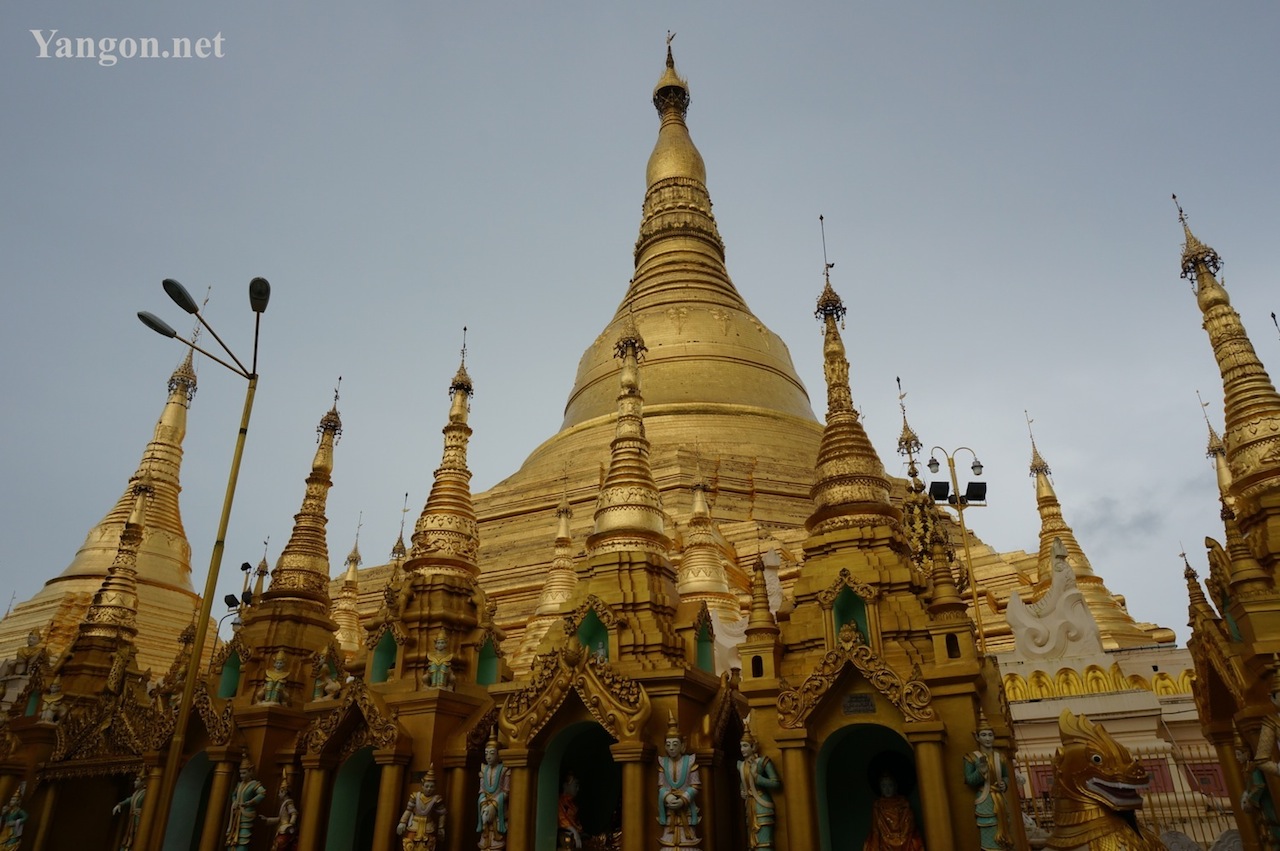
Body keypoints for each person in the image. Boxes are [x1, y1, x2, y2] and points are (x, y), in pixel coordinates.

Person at [963, 720, 1011, 850]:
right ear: (977, 737)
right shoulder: (971, 758)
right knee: (989, 836)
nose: (988, 738)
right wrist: (980, 772)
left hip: (1000, 801)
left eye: (990, 735)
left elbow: (1006, 776)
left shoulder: (1000, 757)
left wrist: (1004, 784)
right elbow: (969, 781)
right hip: (985, 801)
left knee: (1006, 834)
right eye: (983, 735)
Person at [658, 712, 701, 849]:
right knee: (669, 842)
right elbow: (661, 786)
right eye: (668, 744)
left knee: (686, 843)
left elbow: (695, 785)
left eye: (675, 744)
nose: (671, 748)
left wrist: (683, 799)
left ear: (682, 745)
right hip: (670, 809)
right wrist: (667, 796)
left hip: (686, 809)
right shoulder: (663, 763)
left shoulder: (689, 762)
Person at [738, 725, 781, 851]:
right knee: (753, 845)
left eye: (745, 746)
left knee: (764, 845)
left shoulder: (762, 762)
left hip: (762, 805)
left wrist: (758, 779)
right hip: (750, 807)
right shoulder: (741, 766)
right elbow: (743, 782)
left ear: (753, 746)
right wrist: (742, 790)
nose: (742, 749)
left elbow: (776, 783)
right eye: (741, 746)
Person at [863, 773, 925, 851]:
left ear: (895, 787)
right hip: (884, 843)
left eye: (890, 785)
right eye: (884, 786)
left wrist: (901, 837)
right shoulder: (878, 805)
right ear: (880, 788)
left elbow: (909, 823)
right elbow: (876, 828)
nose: (887, 789)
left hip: (904, 840)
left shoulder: (903, 803)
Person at [397, 767, 445, 851]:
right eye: (427, 786)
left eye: (431, 787)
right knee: (410, 842)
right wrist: (402, 822)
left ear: (435, 787)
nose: (429, 789)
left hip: (428, 825)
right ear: (422, 786)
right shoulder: (415, 796)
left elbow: (442, 813)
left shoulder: (437, 799)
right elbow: (408, 810)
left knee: (429, 843)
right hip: (415, 824)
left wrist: (441, 827)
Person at [477, 731, 510, 850]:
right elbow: (481, 791)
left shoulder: (504, 770)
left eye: (492, 753)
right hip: (485, 808)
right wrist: (484, 805)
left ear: (498, 754)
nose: (488, 756)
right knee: (484, 842)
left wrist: (494, 806)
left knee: (497, 843)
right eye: (486, 754)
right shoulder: (484, 770)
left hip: (499, 810)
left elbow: (506, 792)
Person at [225, 758, 267, 851]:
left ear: (250, 771)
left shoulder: (254, 784)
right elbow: (234, 795)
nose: (242, 776)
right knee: (231, 837)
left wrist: (251, 802)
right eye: (241, 773)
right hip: (236, 814)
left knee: (243, 838)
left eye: (244, 773)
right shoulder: (239, 785)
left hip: (246, 814)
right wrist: (235, 801)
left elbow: (262, 793)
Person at [259, 773, 298, 851]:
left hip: (286, 830)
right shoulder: (284, 804)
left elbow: (294, 813)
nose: (279, 794)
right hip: (281, 828)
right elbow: (280, 819)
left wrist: (291, 824)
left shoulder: (288, 802)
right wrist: (267, 819)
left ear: (284, 792)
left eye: (280, 792)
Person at [113, 773, 146, 851]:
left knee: (137, 834)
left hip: (139, 818)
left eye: (137, 780)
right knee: (129, 835)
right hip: (133, 818)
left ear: (143, 782)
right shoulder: (136, 793)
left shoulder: (145, 793)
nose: (135, 782)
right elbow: (130, 799)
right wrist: (120, 805)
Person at [557, 773, 584, 849]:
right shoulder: (560, 802)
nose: (577, 789)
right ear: (565, 785)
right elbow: (562, 821)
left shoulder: (573, 804)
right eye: (575, 785)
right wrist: (574, 832)